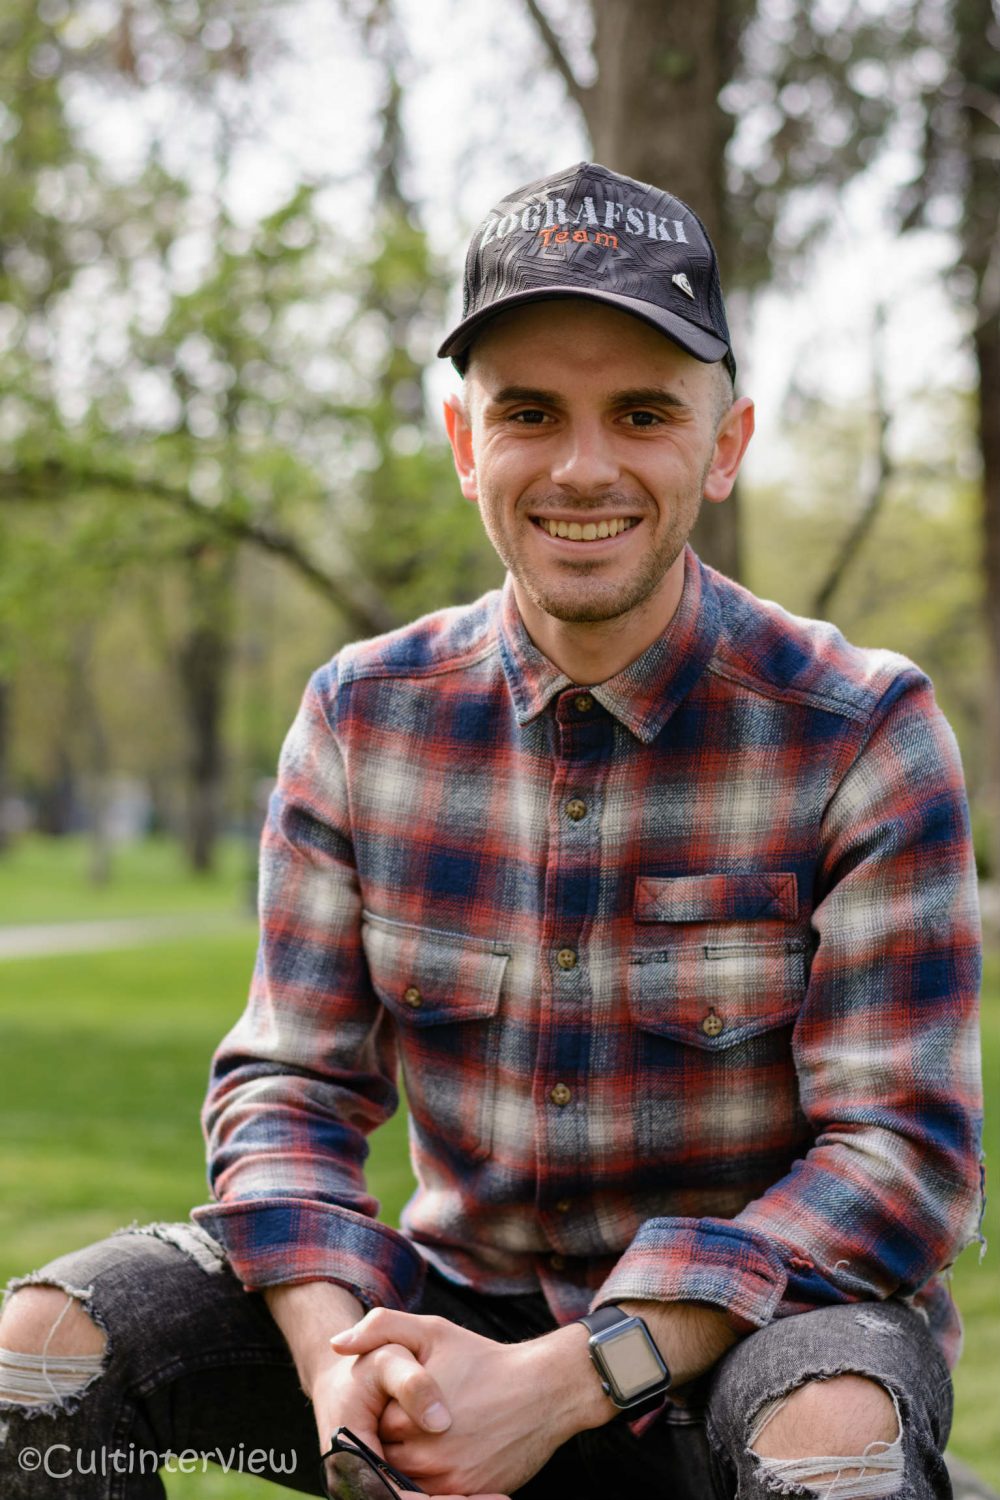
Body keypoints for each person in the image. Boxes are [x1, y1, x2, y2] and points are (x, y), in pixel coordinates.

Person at [0, 162, 984, 1500]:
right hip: (449, 1318)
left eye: (643, 413)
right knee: (41, 1351)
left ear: (725, 445)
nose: (584, 466)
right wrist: (336, 1361)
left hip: (755, 1346)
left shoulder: (863, 729)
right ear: (467, 445)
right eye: (529, 412)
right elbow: (289, 1086)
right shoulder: (361, 715)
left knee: (835, 1436)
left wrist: (569, 1381)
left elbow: (900, 1162)